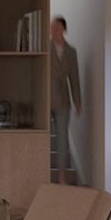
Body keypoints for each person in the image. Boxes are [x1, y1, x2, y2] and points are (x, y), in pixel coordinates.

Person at [49, 16, 82, 185]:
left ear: (64, 30)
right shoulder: (45, 48)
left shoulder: (71, 52)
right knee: (44, 136)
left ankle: (61, 175)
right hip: (46, 98)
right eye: (52, 28)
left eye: (57, 28)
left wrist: (78, 101)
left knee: (62, 138)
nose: (54, 31)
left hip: (63, 101)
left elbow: (74, 77)